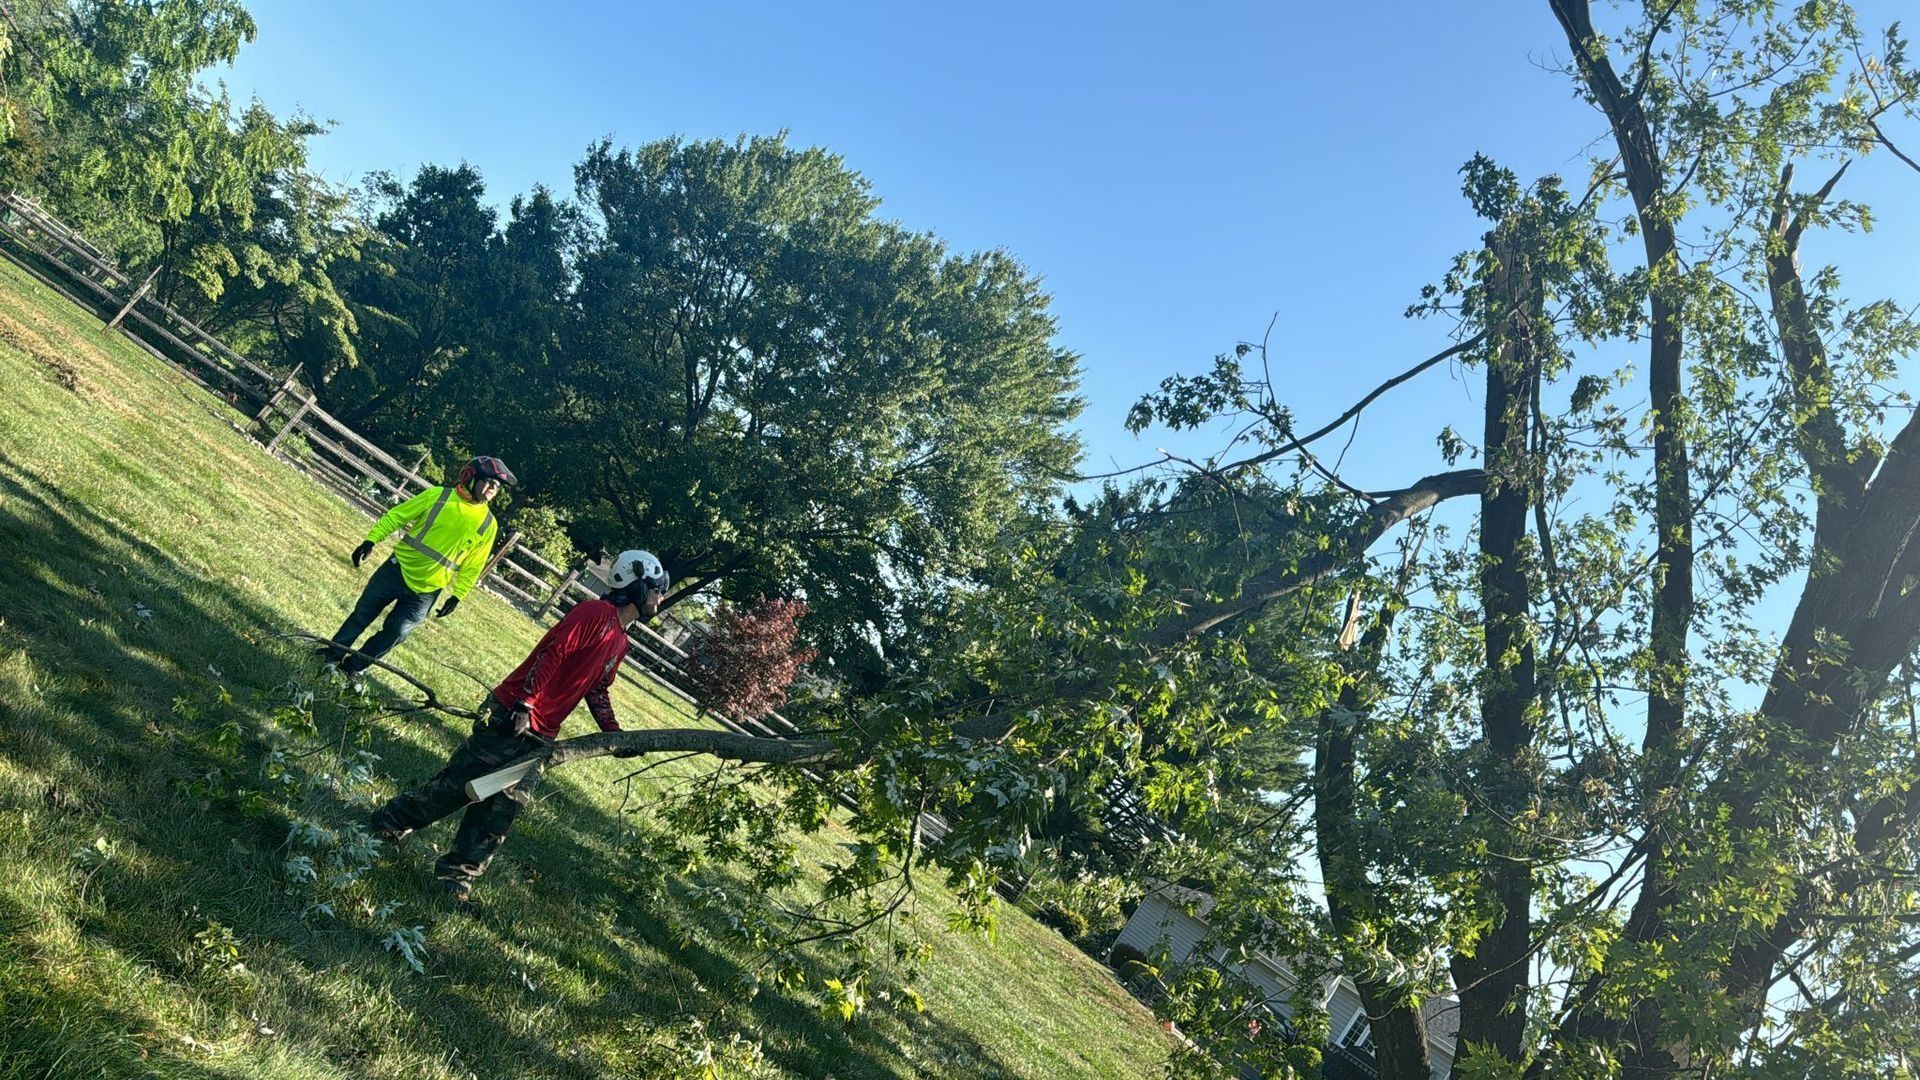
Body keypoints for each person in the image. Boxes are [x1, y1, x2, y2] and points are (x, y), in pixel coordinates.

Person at [368, 549, 671, 901]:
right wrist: (525, 703)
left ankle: (455, 882)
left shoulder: (620, 641)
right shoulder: (594, 614)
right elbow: (553, 653)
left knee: (499, 812)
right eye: (656, 589)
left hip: (541, 737)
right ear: (635, 584)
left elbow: (598, 689)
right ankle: (388, 824)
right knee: (460, 785)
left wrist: (614, 735)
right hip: (512, 715)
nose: (659, 598)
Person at [323, 456, 516, 679]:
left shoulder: (487, 524)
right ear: (471, 478)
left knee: (397, 632)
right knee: (362, 614)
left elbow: (474, 565)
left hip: (427, 590)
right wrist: (371, 540)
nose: (494, 488)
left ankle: (354, 667)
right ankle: (331, 653)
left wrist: (457, 596)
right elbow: (397, 515)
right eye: (489, 482)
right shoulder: (438, 496)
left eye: (498, 486)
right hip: (396, 569)